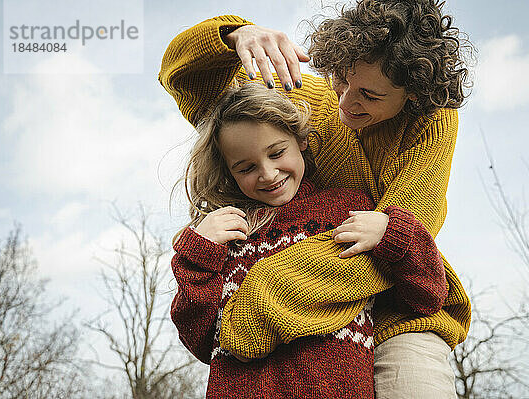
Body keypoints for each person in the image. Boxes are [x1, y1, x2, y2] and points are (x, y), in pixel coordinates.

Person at [159, 0, 473, 396]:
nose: (345, 102)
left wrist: (265, 294)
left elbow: (399, 233)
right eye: (341, 79)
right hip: (300, 336)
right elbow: (186, 79)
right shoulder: (308, 99)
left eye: (369, 96)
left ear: (412, 95)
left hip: (397, 310)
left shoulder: (432, 117)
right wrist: (234, 35)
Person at [170, 83, 447, 398]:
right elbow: (201, 340)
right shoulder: (228, 233)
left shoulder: (349, 209)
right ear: (229, 172)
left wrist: (392, 234)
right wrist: (198, 255)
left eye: (276, 153)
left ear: (301, 141)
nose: (268, 173)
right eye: (246, 167)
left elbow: (426, 296)